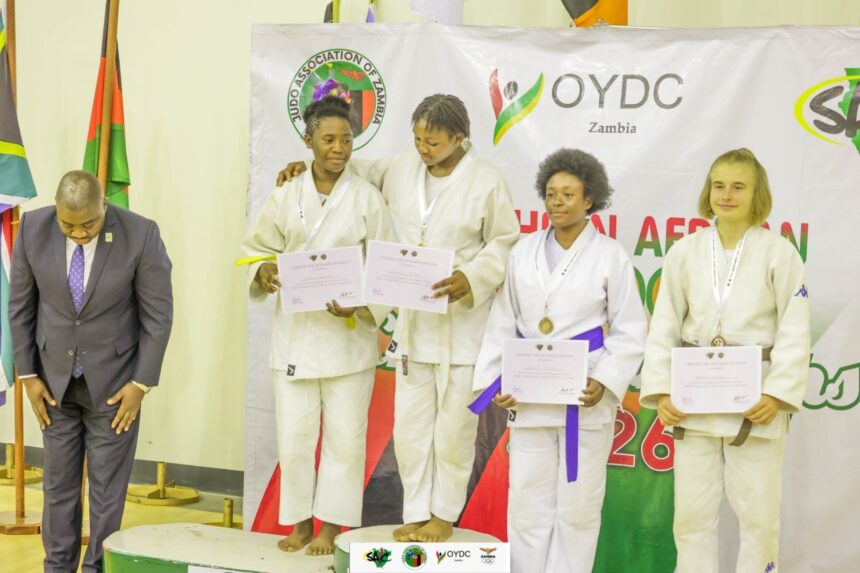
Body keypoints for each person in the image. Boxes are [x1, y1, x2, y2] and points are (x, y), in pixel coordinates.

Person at [278, 94, 520, 542]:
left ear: (459, 139)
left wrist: (472, 276)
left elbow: (505, 242)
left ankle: (444, 515)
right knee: (410, 429)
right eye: (417, 140)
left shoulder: (486, 181)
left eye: (433, 142)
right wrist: (303, 167)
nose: (423, 149)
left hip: (460, 325)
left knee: (453, 430)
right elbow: (350, 169)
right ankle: (417, 511)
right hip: (413, 324)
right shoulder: (403, 166)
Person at [471, 149, 647, 572]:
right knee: (526, 504)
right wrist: (498, 380)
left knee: (579, 509)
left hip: (583, 395)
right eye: (551, 194)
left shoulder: (610, 255)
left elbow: (631, 329)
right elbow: (503, 321)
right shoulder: (522, 251)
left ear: (589, 200)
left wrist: (605, 380)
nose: (557, 202)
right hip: (530, 395)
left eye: (568, 194)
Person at [639, 148, 810, 573]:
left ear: (757, 194)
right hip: (693, 401)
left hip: (754, 400)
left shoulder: (779, 253)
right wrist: (661, 391)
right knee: (690, 518)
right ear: (708, 192)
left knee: (759, 518)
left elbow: (795, 328)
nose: (726, 195)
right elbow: (664, 324)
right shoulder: (684, 251)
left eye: (738, 187)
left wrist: (778, 394)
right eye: (719, 186)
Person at [243, 95, 395, 555]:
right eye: (328, 139)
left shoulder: (366, 197)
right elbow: (257, 247)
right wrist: (263, 270)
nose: (339, 148)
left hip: (348, 340)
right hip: (296, 337)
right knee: (294, 439)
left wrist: (361, 302)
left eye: (346, 140)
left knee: (345, 442)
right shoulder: (286, 193)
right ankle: (300, 523)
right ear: (308, 140)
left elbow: (385, 265)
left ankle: (331, 527)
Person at [10, 170, 173, 573]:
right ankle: (57, 567)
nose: (79, 234)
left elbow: (158, 316)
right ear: (56, 209)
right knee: (58, 488)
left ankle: (97, 568)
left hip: (116, 389)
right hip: (52, 386)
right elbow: (20, 307)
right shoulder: (32, 229)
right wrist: (28, 375)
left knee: (106, 493)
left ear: (105, 205)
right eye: (69, 225)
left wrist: (140, 383)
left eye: (89, 224)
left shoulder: (141, 234)